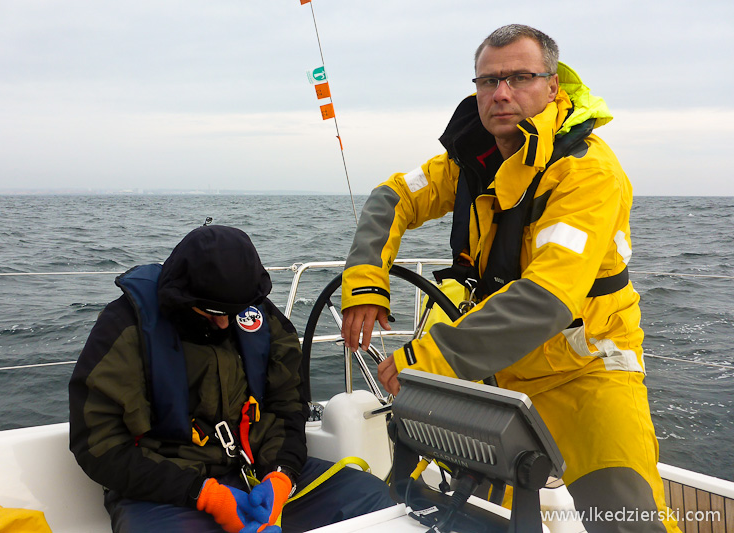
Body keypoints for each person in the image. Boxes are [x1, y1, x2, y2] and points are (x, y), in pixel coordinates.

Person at [341, 24, 679, 533]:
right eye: (487, 81)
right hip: (497, 372)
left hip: (585, 373)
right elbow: (394, 197)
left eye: (519, 77)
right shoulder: (471, 162)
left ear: (553, 87)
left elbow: (546, 299)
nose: (501, 93)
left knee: (627, 519)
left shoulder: (587, 173)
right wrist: (366, 283)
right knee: (473, 511)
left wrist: (430, 358)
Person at [69, 225, 394, 533]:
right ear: (182, 299)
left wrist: (282, 474)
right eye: (212, 313)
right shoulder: (125, 328)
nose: (225, 324)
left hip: (258, 476)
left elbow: (288, 406)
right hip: (166, 492)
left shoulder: (257, 315)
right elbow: (98, 442)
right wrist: (202, 493)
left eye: (234, 312)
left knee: (374, 501)